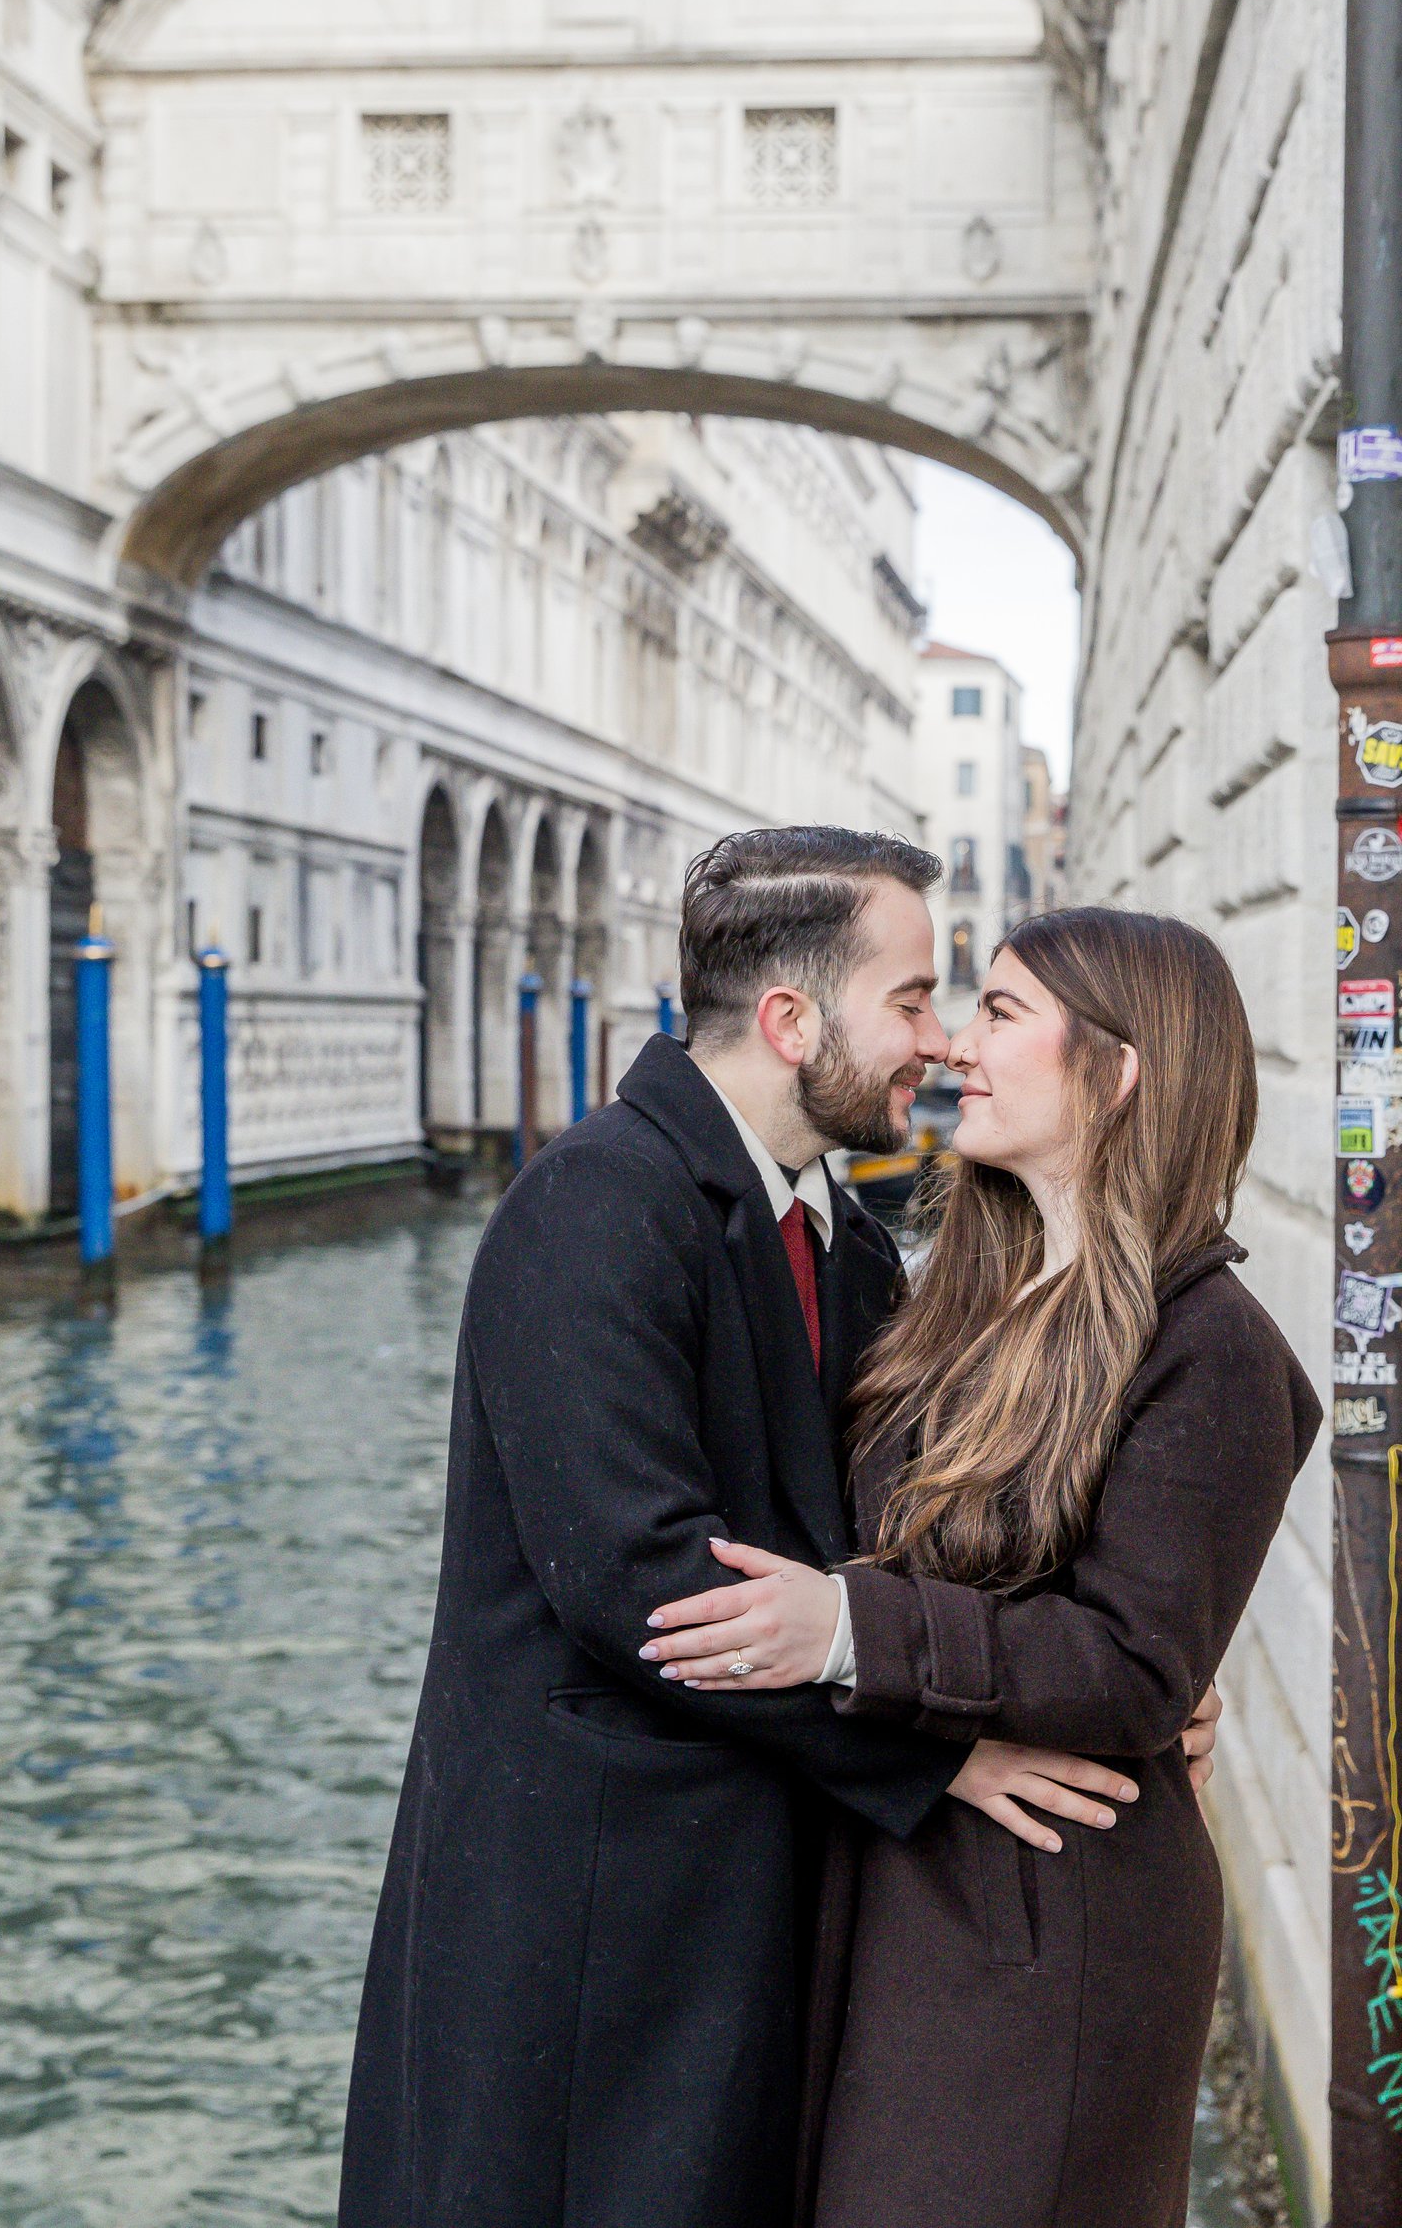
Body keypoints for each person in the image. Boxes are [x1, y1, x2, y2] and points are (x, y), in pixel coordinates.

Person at [338, 832, 1200, 2228]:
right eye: (911, 999)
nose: (938, 1040)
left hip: (756, 1908)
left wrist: (1110, 1674)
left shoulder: (843, 1245)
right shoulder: (591, 1207)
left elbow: (904, 1532)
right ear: (794, 1022)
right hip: (594, 1934)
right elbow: (643, 1586)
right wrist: (945, 1750)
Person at [640, 905, 1320, 2228]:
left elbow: (1129, 1665)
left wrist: (848, 1631)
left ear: (1119, 1072)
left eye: (1001, 1014)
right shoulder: (956, 1300)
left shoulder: (1214, 1351)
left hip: (1042, 1932)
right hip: (900, 1893)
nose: (955, 1044)